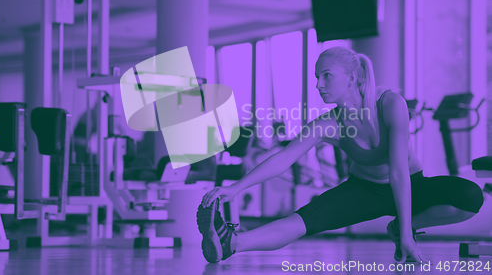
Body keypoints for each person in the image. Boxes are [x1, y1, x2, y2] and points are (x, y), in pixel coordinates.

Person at [196, 46, 484, 264]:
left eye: (327, 76)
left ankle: (398, 227)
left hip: (410, 184)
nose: (319, 84)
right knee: (303, 221)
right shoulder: (328, 124)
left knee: (470, 197)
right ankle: (232, 242)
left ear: (352, 78)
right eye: (317, 77)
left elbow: (398, 172)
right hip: (363, 192)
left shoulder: (390, 103)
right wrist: (236, 188)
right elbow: (284, 158)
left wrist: (407, 233)